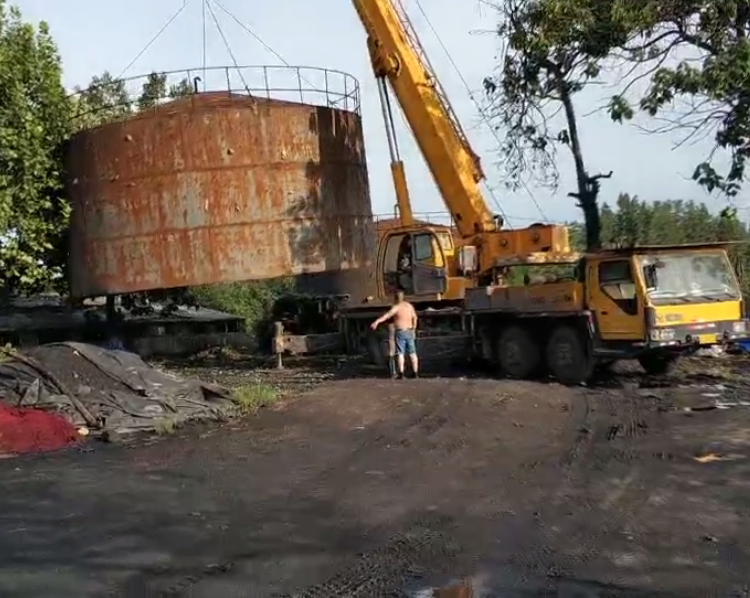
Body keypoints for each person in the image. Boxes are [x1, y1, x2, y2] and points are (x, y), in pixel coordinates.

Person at [370, 290, 418, 379]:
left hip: (401, 332)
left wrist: (376, 322)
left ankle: (401, 374)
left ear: (396, 298)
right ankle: (415, 373)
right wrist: (413, 329)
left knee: (400, 353)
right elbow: (415, 317)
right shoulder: (409, 306)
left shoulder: (396, 307)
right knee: (413, 353)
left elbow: (386, 316)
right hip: (409, 331)